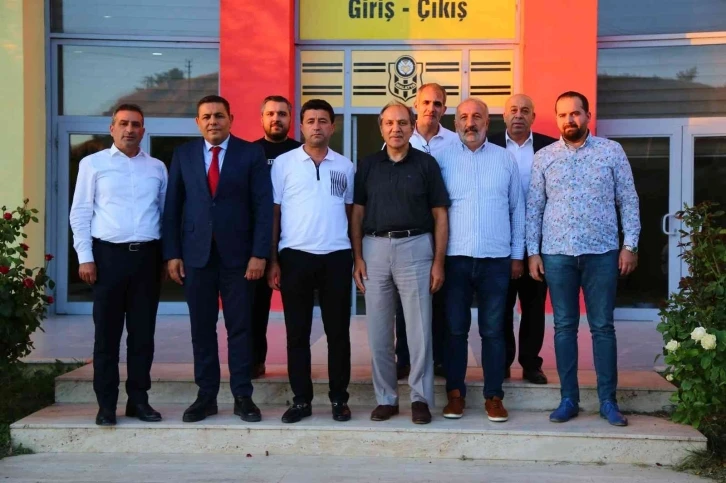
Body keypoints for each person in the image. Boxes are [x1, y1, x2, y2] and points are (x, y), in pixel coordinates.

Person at [526, 91, 640, 426]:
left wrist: (630, 245)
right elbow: (534, 208)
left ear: (588, 116)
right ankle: (568, 399)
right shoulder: (544, 157)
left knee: (602, 327)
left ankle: (608, 401)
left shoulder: (611, 151)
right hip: (557, 254)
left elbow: (628, 200)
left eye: (575, 113)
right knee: (564, 327)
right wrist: (533, 252)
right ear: (556, 118)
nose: (569, 120)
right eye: (563, 115)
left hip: (602, 253)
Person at [163, 95, 272, 423]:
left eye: (219, 116)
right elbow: (173, 207)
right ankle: (206, 396)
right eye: (207, 116)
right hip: (196, 257)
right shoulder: (183, 154)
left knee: (240, 328)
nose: (213, 121)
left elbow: (263, 207)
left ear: (231, 119)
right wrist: (172, 253)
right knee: (202, 329)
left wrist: (259, 254)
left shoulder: (250, 153)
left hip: (239, 258)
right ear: (198, 122)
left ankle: (242, 396)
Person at [352, 100, 450, 425]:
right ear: (381, 128)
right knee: (379, 330)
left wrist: (438, 261)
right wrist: (357, 257)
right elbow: (357, 215)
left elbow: (440, 215)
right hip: (374, 249)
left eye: (403, 123)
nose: (396, 129)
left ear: (412, 127)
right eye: (389, 123)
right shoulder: (367, 165)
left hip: (416, 247)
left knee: (419, 329)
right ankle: (386, 398)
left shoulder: (426, 164)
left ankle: (420, 398)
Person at [69, 104, 167, 426]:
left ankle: (138, 401)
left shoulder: (157, 168)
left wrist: (166, 257)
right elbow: (80, 213)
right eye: (123, 123)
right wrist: (85, 257)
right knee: (106, 337)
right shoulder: (92, 164)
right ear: (112, 128)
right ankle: (106, 405)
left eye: (136, 124)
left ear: (143, 130)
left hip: (147, 259)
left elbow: (164, 214)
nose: (129, 129)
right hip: (108, 258)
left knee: (143, 336)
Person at [267, 99, 355, 424]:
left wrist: (356, 257)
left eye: (323, 121)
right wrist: (273, 260)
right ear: (301, 126)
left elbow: (352, 215)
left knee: (338, 333)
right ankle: (301, 400)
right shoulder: (284, 164)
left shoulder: (345, 166)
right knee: (297, 334)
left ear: (333, 126)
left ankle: (339, 399)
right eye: (311, 120)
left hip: (336, 257)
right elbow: (274, 214)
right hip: (295, 257)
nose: (317, 126)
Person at [437, 98, 524, 422]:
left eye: (477, 117)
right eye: (463, 117)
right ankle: (455, 395)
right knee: (455, 330)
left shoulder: (504, 159)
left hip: (496, 261)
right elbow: (434, 213)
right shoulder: (442, 159)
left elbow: (518, 210)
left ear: (488, 122)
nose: (470, 123)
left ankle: (494, 396)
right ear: (455, 123)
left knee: (493, 331)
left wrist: (517, 256)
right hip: (455, 259)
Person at [489, 94, 556, 384]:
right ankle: (502, 362)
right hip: (498, 238)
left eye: (525, 110)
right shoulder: (489, 144)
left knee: (533, 306)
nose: (518, 115)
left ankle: (530, 364)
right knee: (501, 306)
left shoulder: (550, 147)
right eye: (513, 110)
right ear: (504, 116)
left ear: (533, 117)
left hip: (537, 241)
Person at [394, 83, 457, 379]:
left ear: (445, 109)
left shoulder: (455, 142)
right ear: (416, 106)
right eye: (426, 103)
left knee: (441, 299)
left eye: (437, 103)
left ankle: (440, 359)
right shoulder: (400, 138)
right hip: (410, 232)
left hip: (445, 231)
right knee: (405, 301)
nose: (431, 108)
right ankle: (404, 358)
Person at [251, 95, 302, 379]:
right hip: (257, 243)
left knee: (297, 311)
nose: (276, 119)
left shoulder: (301, 152)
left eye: (282, 114)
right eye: (270, 113)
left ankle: (298, 368)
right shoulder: (249, 152)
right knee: (255, 308)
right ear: (261, 118)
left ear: (290, 119)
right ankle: (255, 361)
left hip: (294, 241)